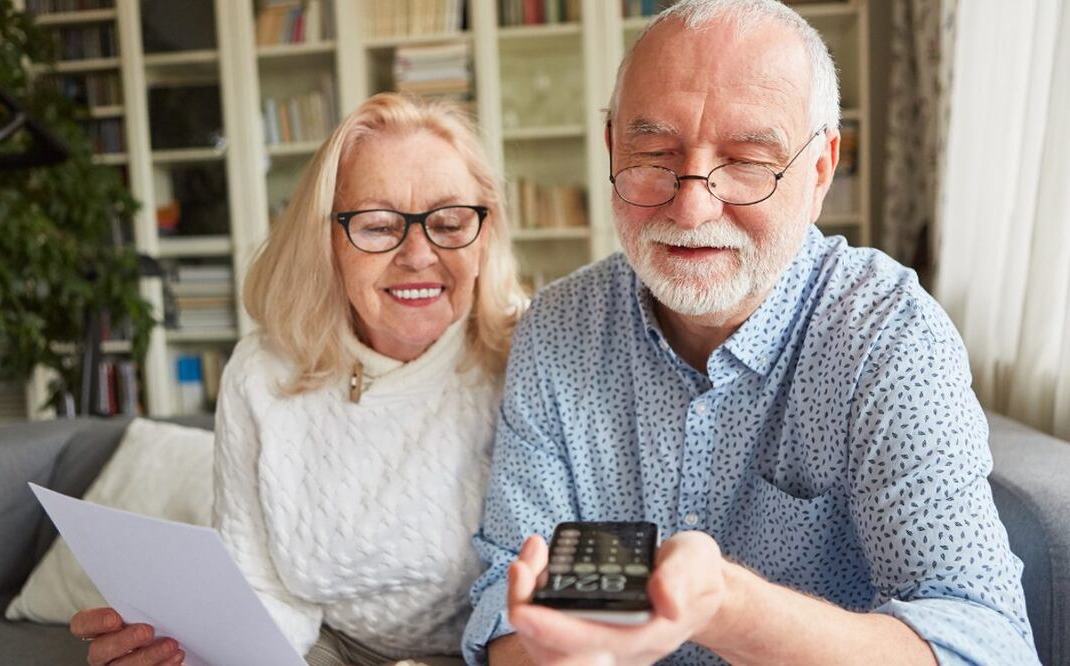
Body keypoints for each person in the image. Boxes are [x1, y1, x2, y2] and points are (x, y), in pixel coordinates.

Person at [463, 1, 1040, 664]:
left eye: (747, 162)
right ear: (611, 145)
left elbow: (985, 643)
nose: (692, 204)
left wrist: (727, 607)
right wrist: (548, 650)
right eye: (653, 153)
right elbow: (501, 602)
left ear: (820, 168)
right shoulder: (556, 330)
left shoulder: (886, 335)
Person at [68, 92, 527, 666]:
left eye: (450, 222)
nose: (418, 254)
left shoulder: (530, 355)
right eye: (379, 225)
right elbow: (258, 584)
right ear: (327, 240)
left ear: (484, 235)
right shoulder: (261, 372)